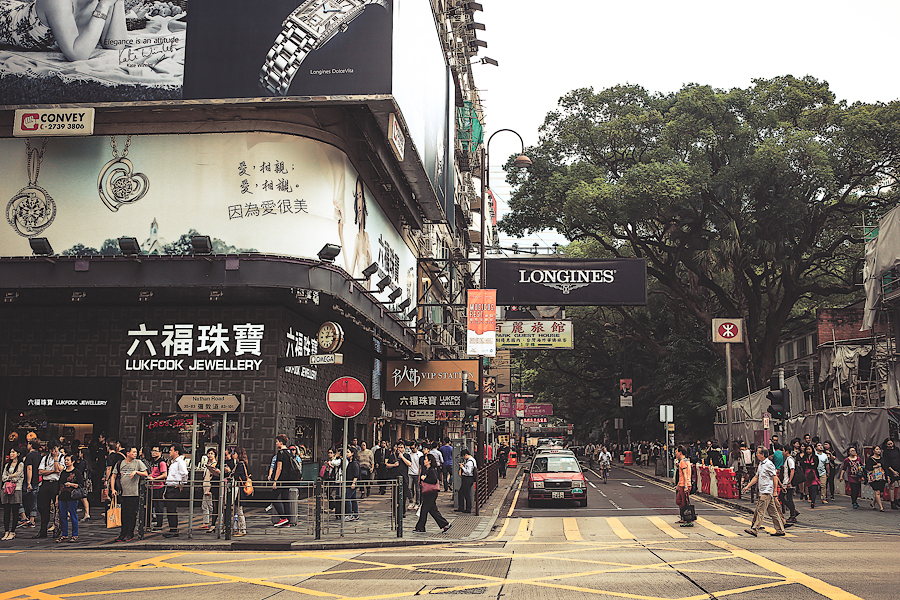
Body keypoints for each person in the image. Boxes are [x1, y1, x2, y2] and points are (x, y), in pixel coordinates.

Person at [0, 0, 129, 62]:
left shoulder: (98, 2)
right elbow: (77, 55)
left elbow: (115, 44)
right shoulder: (57, 2)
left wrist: (118, 2)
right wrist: (103, 6)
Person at [741, 447, 786, 536]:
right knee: (773, 513)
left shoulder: (769, 464)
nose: (757, 455)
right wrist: (747, 486)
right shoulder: (761, 464)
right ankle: (780, 530)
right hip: (763, 491)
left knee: (760, 511)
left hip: (767, 491)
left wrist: (775, 491)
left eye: (758, 453)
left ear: (762, 455)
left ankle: (755, 529)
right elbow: (756, 477)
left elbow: (775, 477)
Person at [110, 445, 147, 542]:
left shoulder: (138, 463)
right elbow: (113, 476)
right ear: (127, 453)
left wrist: (136, 472)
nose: (135, 454)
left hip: (133, 493)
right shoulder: (120, 463)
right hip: (122, 493)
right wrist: (113, 489)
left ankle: (129, 533)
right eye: (133, 452)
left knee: (131, 514)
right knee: (123, 514)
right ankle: (122, 533)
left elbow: (146, 473)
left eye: (136, 452)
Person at [414, 453, 451, 533]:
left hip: (431, 493)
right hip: (430, 493)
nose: (424, 461)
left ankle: (420, 527)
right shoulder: (430, 469)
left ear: (429, 461)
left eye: (426, 459)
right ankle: (445, 525)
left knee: (424, 510)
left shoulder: (432, 470)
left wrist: (424, 479)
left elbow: (434, 480)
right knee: (432, 510)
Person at [35, 444, 63, 539]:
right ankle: (43, 531)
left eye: (54, 448)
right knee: (43, 507)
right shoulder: (45, 458)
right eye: (51, 449)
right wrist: (52, 471)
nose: (52, 451)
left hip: (56, 483)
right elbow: (40, 471)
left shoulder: (61, 457)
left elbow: (58, 469)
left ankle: (57, 529)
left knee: (57, 508)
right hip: (46, 483)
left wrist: (55, 458)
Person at [163, 443, 188, 538]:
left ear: (176, 452)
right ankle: (172, 529)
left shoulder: (180, 462)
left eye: (171, 450)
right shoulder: (173, 462)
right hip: (170, 487)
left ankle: (174, 530)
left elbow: (184, 473)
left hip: (174, 487)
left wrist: (181, 484)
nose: (170, 452)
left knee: (171, 509)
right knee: (169, 509)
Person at [56, 453, 82, 543]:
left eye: (68, 460)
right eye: (65, 460)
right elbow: (59, 485)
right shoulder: (63, 472)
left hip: (72, 497)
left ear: (73, 461)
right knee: (63, 516)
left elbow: (81, 484)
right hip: (62, 496)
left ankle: (75, 535)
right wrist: (57, 497)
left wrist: (71, 484)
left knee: (73, 515)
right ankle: (64, 535)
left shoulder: (76, 472)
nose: (66, 462)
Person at [2, 447, 25, 540]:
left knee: (15, 511)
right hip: (6, 488)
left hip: (16, 489)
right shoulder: (7, 465)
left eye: (13, 452)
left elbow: (18, 476)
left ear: (18, 454)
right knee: (6, 511)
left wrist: (9, 477)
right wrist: (11, 476)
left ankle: (12, 531)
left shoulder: (20, 464)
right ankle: (6, 531)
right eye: (11, 452)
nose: (11, 454)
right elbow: (3, 477)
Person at [270, 434, 293, 527]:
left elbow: (279, 468)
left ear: (281, 442)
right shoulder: (290, 452)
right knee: (285, 499)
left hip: (281, 479)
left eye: (277, 442)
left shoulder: (281, 453)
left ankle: (283, 517)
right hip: (288, 479)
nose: (276, 443)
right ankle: (288, 521)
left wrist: (275, 480)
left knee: (273, 497)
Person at [776, 443, 799, 523]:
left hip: (788, 483)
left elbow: (792, 471)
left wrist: (789, 482)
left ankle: (793, 515)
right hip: (786, 482)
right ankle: (793, 511)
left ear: (787, 451)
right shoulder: (787, 459)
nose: (782, 452)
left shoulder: (790, 460)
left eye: (783, 450)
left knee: (788, 499)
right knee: (782, 497)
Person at [146, 446, 167, 532]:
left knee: (158, 507)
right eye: (153, 451)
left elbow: (164, 475)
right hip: (151, 487)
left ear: (160, 452)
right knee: (149, 506)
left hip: (159, 487)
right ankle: (148, 524)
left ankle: (159, 525)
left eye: (156, 451)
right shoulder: (152, 462)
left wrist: (154, 479)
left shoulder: (161, 462)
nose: (153, 452)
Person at [21, 439, 41, 529]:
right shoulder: (39, 455)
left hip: (29, 480)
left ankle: (24, 517)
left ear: (31, 445)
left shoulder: (29, 455)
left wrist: (28, 482)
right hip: (36, 480)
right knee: (34, 500)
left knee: (20, 498)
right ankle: (32, 519)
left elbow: (29, 468)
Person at [200, 448, 220, 533]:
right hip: (205, 485)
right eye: (209, 453)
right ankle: (206, 522)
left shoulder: (214, 465)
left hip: (210, 486)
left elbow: (213, 477)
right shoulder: (207, 464)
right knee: (204, 505)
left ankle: (214, 523)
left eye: (212, 453)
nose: (210, 455)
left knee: (211, 506)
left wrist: (209, 488)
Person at [232, 447, 250, 537]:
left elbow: (237, 476)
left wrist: (230, 472)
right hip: (239, 489)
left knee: (239, 510)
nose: (233, 455)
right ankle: (238, 528)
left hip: (239, 490)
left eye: (235, 453)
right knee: (237, 510)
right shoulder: (242, 464)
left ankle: (242, 529)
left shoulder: (240, 464)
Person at [674, 446, 693, 527]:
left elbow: (685, 475)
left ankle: (689, 520)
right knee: (679, 501)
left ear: (680, 452)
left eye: (676, 452)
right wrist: (678, 485)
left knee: (685, 503)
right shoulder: (686, 461)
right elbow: (681, 475)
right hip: (682, 484)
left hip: (685, 485)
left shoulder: (683, 462)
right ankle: (686, 517)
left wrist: (685, 486)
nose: (675, 453)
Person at [865, 444, 887, 511]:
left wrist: (888, 477)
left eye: (879, 449)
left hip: (881, 477)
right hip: (874, 478)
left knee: (881, 493)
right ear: (873, 451)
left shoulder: (882, 459)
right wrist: (875, 466)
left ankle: (873, 503)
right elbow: (867, 467)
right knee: (877, 492)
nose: (878, 451)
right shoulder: (870, 459)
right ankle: (881, 507)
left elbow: (885, 467)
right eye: (877, 449)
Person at [74, 447, 92, 520]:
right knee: (83, 497)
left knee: (83, 497)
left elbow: (79, 471)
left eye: (80, 453)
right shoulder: (87, 462)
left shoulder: (82, 462)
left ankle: (87, 513)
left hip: (82, 481)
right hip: (86, 481)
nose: (79, 454)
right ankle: (87, 513)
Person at [800, 444, 820, 509]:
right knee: (810, 488)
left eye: (809, 449)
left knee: (814, 487)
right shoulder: (804, 457)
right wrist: (810, 464)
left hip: (814, 474)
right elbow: (802, 464)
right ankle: (811, 498)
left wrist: (808, 464)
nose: (808, 450)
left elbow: (815, 465)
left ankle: (813, 502)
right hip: (807, 474)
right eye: (807, 449)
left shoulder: (815, 457)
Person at [881, 438, 900, 509]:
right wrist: (893, 471)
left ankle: (898, 499)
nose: (890, 445)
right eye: (888, 444)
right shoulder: (885, 452)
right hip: (890, 470)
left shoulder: (897, 449)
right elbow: (886, 463)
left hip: (898, 469)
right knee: (892, 486)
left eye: (891, 443)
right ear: (886, 445)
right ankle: (892, 502)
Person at [457, 448, 476, 513]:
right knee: (461, 492)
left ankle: (468, 508)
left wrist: (462, 467)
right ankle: (461, 507)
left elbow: (468, 472)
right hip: (469, 479)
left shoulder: (469, 462)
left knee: (466, 494)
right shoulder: (472, 460)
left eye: (463, 456)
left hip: (467, 478)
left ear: (466, 455)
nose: (464, 458)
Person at [344, 449, 360, 521]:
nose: (346, 453)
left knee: (347, 497)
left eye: (348, 452)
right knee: (353, 499)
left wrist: (353, 483)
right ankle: (355, 515)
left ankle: (349, 514)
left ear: (352, 453)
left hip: (353, 483)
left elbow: (356, 474)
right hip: (349, 482)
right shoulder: (350, 462)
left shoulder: (355, 463)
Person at [407, 442, 423, 510]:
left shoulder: (420, 454)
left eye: (413, 448)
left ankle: (417, 502)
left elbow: (421, 466)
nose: (412, 449)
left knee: (417, 489)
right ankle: (411, 501)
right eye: (411, 448)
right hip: (410, 472)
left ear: (416, 447)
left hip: (417, 473)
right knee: (409, 488)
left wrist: (420, 475)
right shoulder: (409, 454)